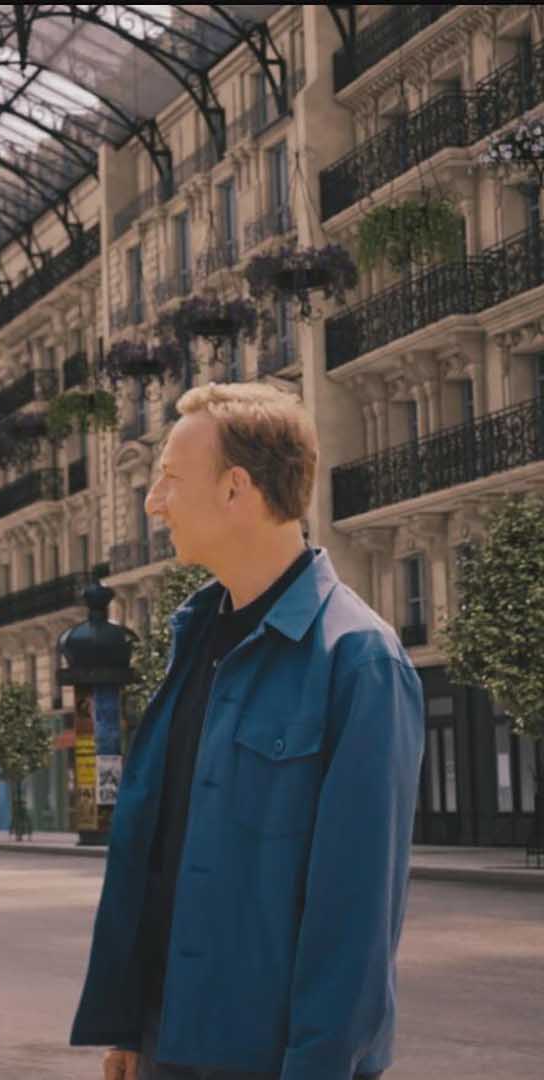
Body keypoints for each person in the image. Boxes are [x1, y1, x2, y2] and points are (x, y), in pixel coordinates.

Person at [70, 383, 425, 1080]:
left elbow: (355, 921)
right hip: (165, 1041)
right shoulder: (193, 639)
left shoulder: (360, 661)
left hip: (269, 1061)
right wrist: (132, 1024)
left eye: (169, 479)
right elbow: (162, 857)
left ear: (236, 489)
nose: (154, 502)